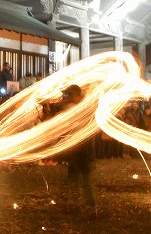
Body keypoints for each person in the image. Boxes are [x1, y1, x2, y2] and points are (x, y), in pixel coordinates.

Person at [58, 84, 96, 221]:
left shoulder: (81, 109)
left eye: (70, 95)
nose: (68, 97)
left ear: (77, 95)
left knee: (85, 179)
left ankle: (90, 207)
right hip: (74, 148)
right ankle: (73, 203)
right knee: (73, 177)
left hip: (82, 149)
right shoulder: (74, 107)